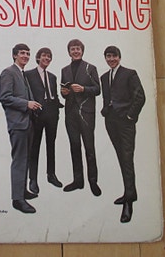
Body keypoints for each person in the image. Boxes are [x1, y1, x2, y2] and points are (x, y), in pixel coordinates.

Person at [100, 45, 146, 223]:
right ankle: (130, 193)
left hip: (125, 123)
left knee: (127, 159)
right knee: (121, 157)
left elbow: (140, 97)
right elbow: (107, 98)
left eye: (114, 56)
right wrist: (105, 110)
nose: (111, 59)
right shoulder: (104, 77)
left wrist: (130, 116)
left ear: (119, 57)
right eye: (108, 56)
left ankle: (129, 202)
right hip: (111, 122)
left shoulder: (129, 74)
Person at [0, 43, 42, 213]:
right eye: (22, 53)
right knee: (19, 160)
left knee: (25, 159)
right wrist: (26, 104)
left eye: (28, 53)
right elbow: (4, 97)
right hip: (18, 124)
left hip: (28, 123)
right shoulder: (8, 72)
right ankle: (17, 200)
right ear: (14, 55)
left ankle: (22, 191)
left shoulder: (22, 74)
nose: (25, 56)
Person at [60, 39, 102, 196]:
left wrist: (84, 89)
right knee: (74, 147)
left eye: (78, 48)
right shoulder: (64, 70)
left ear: (82, 50)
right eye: (72, 49)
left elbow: (97, 89)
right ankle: (78, 181)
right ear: (69, 52)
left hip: (86, 113)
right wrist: (64, 93)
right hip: (70, 114)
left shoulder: (91, 68)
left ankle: (93, 181)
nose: (75, 51)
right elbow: (64, 92)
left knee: (89, 148)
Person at [25, 47, 63, 194]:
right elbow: (26, 94)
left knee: (51, 145)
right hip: (37, 115)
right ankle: (33, 179)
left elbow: (54, 95)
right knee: (34, 147)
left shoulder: (52, 77)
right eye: (44, 56)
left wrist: (59, 106)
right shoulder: (29, 74)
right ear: (38, 58)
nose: (47, 58)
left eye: (49, 56)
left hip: (52, 114)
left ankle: (51, 175)